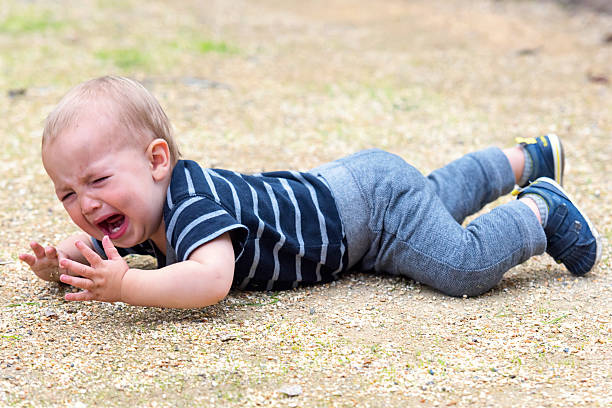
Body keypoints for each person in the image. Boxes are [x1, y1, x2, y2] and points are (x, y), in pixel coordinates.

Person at [19, 76, 602, 308]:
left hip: (366, 215)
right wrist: (68, 268)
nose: (87, 206)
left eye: (98, 181)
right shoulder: (144, 213)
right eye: (66, 194)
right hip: (356, 195)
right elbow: (112, 251)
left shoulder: (190, 204)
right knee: (434, 197)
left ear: (156, 162)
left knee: (462, 265)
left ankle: (539, 210)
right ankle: (522, 156)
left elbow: (208, 281)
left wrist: (122, 285)